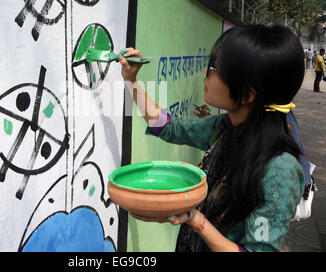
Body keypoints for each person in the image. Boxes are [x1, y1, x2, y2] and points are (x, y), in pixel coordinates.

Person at [118, 25, 305, 252]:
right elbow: (168, 127)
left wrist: (195, 219)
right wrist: (131, 80)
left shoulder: (279, 171)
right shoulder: (226, 128)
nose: (206, 72)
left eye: (215, 69)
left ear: (246, 94)